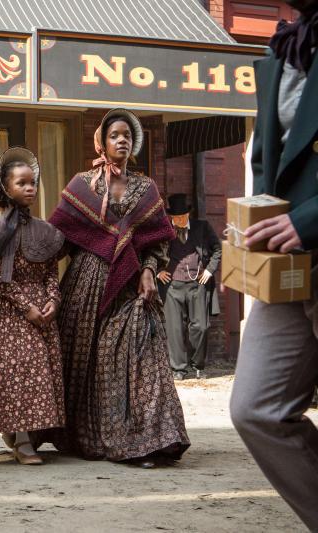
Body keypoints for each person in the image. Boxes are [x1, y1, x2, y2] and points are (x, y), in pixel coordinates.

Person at [37, 109, 190, 468]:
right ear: (102, 142)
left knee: (141, 359)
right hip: (86, 286)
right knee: (92, 365)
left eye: (127, 135)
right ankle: (93, 438)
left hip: (134, 285)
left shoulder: (146, 188)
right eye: (114, 135)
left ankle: (149, 443)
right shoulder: (82, 185)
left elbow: (157, 242)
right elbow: (60, 239)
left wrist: (150, 270)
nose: (122, 140)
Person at [229, 0, 318, 528]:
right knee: (255, 408)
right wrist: (251, 221)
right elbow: (268, 158)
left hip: (307, 237)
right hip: (284, 266)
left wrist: (308, 222)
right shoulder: (285, 47)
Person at [0, 148, 66, 465]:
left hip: (42, 311)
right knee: (19, 370)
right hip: (10, 311)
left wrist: (53, 300)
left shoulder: (45, 231)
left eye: (33, 183)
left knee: (39, 372)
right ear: (6, 188)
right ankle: (22, 441)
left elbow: (51, 272)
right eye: (22, 183)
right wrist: (26, 307)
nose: (29, 188)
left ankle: (24, 434)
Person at [157, 193, 222, 380]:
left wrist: (209, 270)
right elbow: (148, 252)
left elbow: (217, 249)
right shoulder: (163, 231)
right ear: (171, 217)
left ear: (188, 214)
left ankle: (198, 365)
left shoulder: (202, 228)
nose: (179, 220)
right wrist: (157, 272)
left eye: (183, 216)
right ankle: (178, 369)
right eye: (176, 217)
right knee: (174, 329)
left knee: (201, 326)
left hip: (197, 284)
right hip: (172, 286)